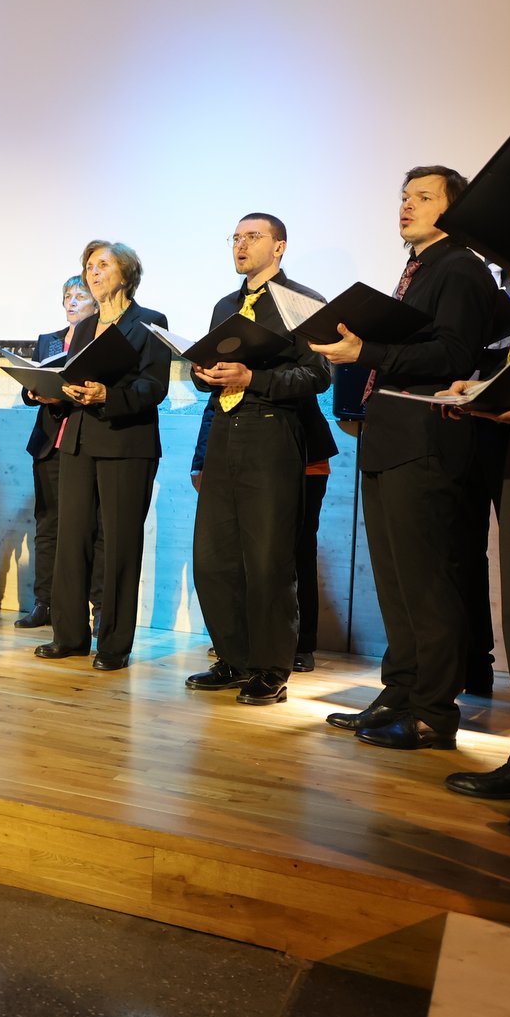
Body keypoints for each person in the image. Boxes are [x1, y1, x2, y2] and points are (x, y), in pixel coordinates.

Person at [311, 167, 497, 750]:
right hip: (390, 438)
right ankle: (400, 692)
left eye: (423, 197)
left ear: (452, 210)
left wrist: (367, 350)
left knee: (426, 584)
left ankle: (434, 714)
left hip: (426, 440)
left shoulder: (460, 267)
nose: (407, 205)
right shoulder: (417, 270)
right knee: (394, 583)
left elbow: (454, 355)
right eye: (404, 196)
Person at [183, 214, 331, 706]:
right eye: (236, 237)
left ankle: (271, 668)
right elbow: (211, 376)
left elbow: (317, 375)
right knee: (214, 558)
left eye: (253, 237)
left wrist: (255, 379)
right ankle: (234, 659)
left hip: (273, 430)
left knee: (268, 560)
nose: (241, 245)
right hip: (225, 433)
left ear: (279, 246)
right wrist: (203, 374)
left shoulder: (301, 301)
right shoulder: (225, 305)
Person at [34, 241, 169, 672]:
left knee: (118, 545)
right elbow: (72, 377)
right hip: (77, 441)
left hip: (126, 444)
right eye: (89, 266)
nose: (92, 272)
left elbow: (154, 386)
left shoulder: (149, 322)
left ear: (126, 273)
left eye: (102, 265)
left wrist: (109, 395)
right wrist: (57, 392)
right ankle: (69, 636)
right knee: (71, 539)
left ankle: (113, 643)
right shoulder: (85, 325)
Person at [191, 394, 337, 674]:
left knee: (297, 551)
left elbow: (307, 383)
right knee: (238, 556)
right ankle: (242, 647)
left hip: (300, 454)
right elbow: (218, 402)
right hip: (240, 457)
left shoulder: (290, 367)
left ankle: (302, 644)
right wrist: (201, 459)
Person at [17, 274, 103, 630]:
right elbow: (30, 388)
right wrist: (34, 391)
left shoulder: (101, 340)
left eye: (80, 295)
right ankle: (45, 602)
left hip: (84, 441)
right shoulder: (48, 341)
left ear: (96, 302)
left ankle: (98, 607)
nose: (72, 302)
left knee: (91, 527)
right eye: (68, 296)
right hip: (49, 443)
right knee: (48, 523)